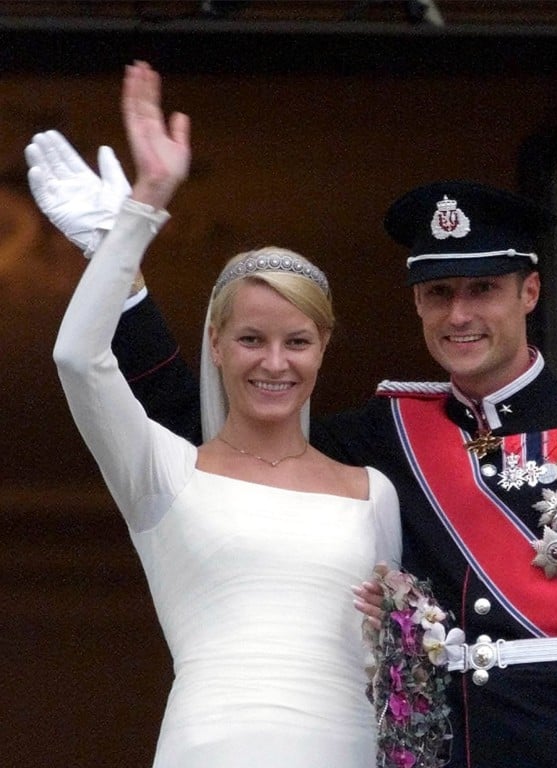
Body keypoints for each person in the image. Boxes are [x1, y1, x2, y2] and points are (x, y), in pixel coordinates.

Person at [29, 119, 557, 767]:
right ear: (416, 302)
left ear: (529, 292)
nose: (459, 315)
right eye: (439, 293)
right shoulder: (388, 433)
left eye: (482, 289)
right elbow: (216, 430)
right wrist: (121, 274)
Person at [32, 61, 401, 768]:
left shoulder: (372, 492)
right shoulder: (162, 470)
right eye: (251, 339)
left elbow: (394, 663)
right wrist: (137, 214)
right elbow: (78, 358)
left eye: (297, 342)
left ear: (324, 347)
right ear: (216, 344)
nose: (274, 363)